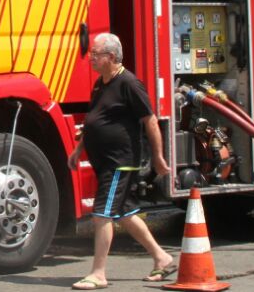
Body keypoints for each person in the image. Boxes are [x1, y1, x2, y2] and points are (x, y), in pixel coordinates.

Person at [67, 33, 174, 290]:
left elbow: (149, 120)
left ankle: (99, 273)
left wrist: (158, 157)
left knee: (102, 214)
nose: (91, 58)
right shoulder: (100, 84)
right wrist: (78, 149)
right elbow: (94, 120)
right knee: (125, 213)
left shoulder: (129, 83)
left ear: (111, 57)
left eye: (96, 54)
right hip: (104, 160)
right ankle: (162, 257)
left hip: (120, 162)